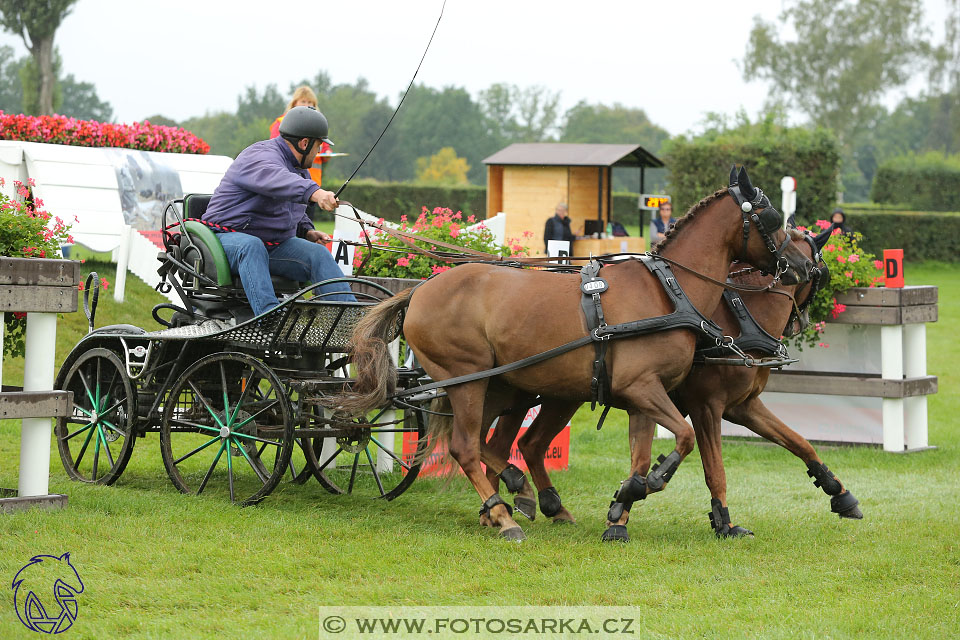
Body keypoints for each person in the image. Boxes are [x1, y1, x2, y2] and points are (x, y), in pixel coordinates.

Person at [203, 106, 355, 316]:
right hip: (225, 241)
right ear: (304, 143)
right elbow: (277, 180)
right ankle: (270, 319)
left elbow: (292, 207)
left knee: (318, 254)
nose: (320, 151)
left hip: (270, 245)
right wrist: (316, 193)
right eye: (319, 145)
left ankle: (352, 320)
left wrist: (306, 230)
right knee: (251, 246)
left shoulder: (299, 169)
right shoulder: (259, 156)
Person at [270, 86, 332, 187]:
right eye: (303, 101)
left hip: (314, 182)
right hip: (290, 182)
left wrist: (327, 153)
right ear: (294, 103)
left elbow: (324, 146)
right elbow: (276, 148)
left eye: (309, 102)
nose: (306, 105)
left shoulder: (318, 124)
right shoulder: (282, 122)